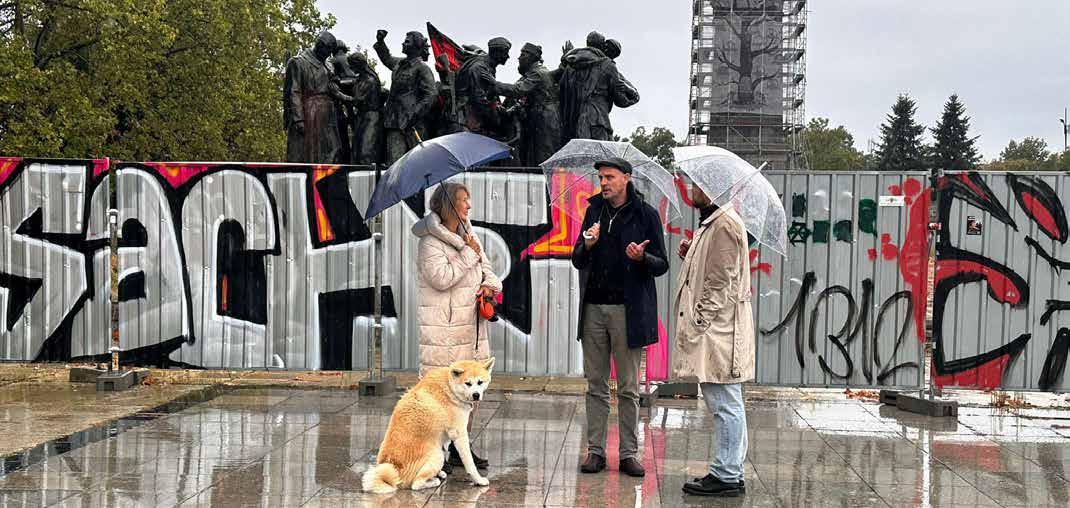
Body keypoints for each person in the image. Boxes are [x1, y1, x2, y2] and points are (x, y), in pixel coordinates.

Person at [571, 157, 668, 478]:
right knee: (595, 385)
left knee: (628, 387)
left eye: (609, 177)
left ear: (626, 177)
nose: (603, 183)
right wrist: (587, 245)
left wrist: (642, 258)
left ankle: (628, 454)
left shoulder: (645, 214)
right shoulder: (593, 211)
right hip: (593, 309)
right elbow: (577, 259)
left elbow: (662, 264)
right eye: (601, 177)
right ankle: (595, 451)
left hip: (629, 311)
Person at [672, 183, 755, 497]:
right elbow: (716, 269)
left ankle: (727, 475)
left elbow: (720, 281)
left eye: (697, 185)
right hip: (718, 329)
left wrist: (699, 322)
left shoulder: (724, 225)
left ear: (712, 188)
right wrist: (692, 254)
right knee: (726, 402)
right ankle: (729, 470)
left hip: (719, 331)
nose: (692, 189)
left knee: (725, 404)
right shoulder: (714, 223)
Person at [412, 182, 502, 472]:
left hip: (471, 330)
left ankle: (459, 449)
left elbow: (489, 271)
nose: (468, 206)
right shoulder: (430, 242)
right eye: (463, 200)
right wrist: (468, 254)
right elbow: (441, 278)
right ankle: (435, 451)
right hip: (444, 332)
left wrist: (489, 286)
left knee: (469, 391)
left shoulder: (469, 235)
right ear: (449, 206)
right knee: (442, 394)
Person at [283, 31, 353, 163]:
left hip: (328, 115)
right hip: (311, 113)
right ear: (321, 46)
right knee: (312, 154)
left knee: (334, 152)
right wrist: (298, 119)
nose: (329, 55)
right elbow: (294, 91)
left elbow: (333, 86)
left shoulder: (327, 65)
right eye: (328, 51)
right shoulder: (299, 62)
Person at [557, 31, 639, 141]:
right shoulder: (607, 65)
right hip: (597, 119)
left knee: (582, 150)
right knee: (601, 150)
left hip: (574, 121)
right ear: (601, 46)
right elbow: (621, 100)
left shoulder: (571, 65)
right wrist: (633, 93)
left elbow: (561, 90)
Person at [374, 30, 437, 166]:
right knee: (394, 165)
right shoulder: (399, 64)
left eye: (407, 41)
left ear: (416, 45)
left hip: (413, 125)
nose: (403, 43)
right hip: (394, 122)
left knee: (417, 164)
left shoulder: (422, 68)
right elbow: (387, 58)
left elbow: (431, 95)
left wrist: (414, 114)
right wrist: (380, 42)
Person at [498, 43, 561, 166]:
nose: (519, 58)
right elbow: (522, 100)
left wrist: (494, 84)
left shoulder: (537, 73)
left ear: (531, 57)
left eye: (523, 55)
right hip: (539, 118)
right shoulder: (534, 73)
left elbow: (518, 90)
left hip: (544, 120)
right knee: (534, 157)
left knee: (542, 157)